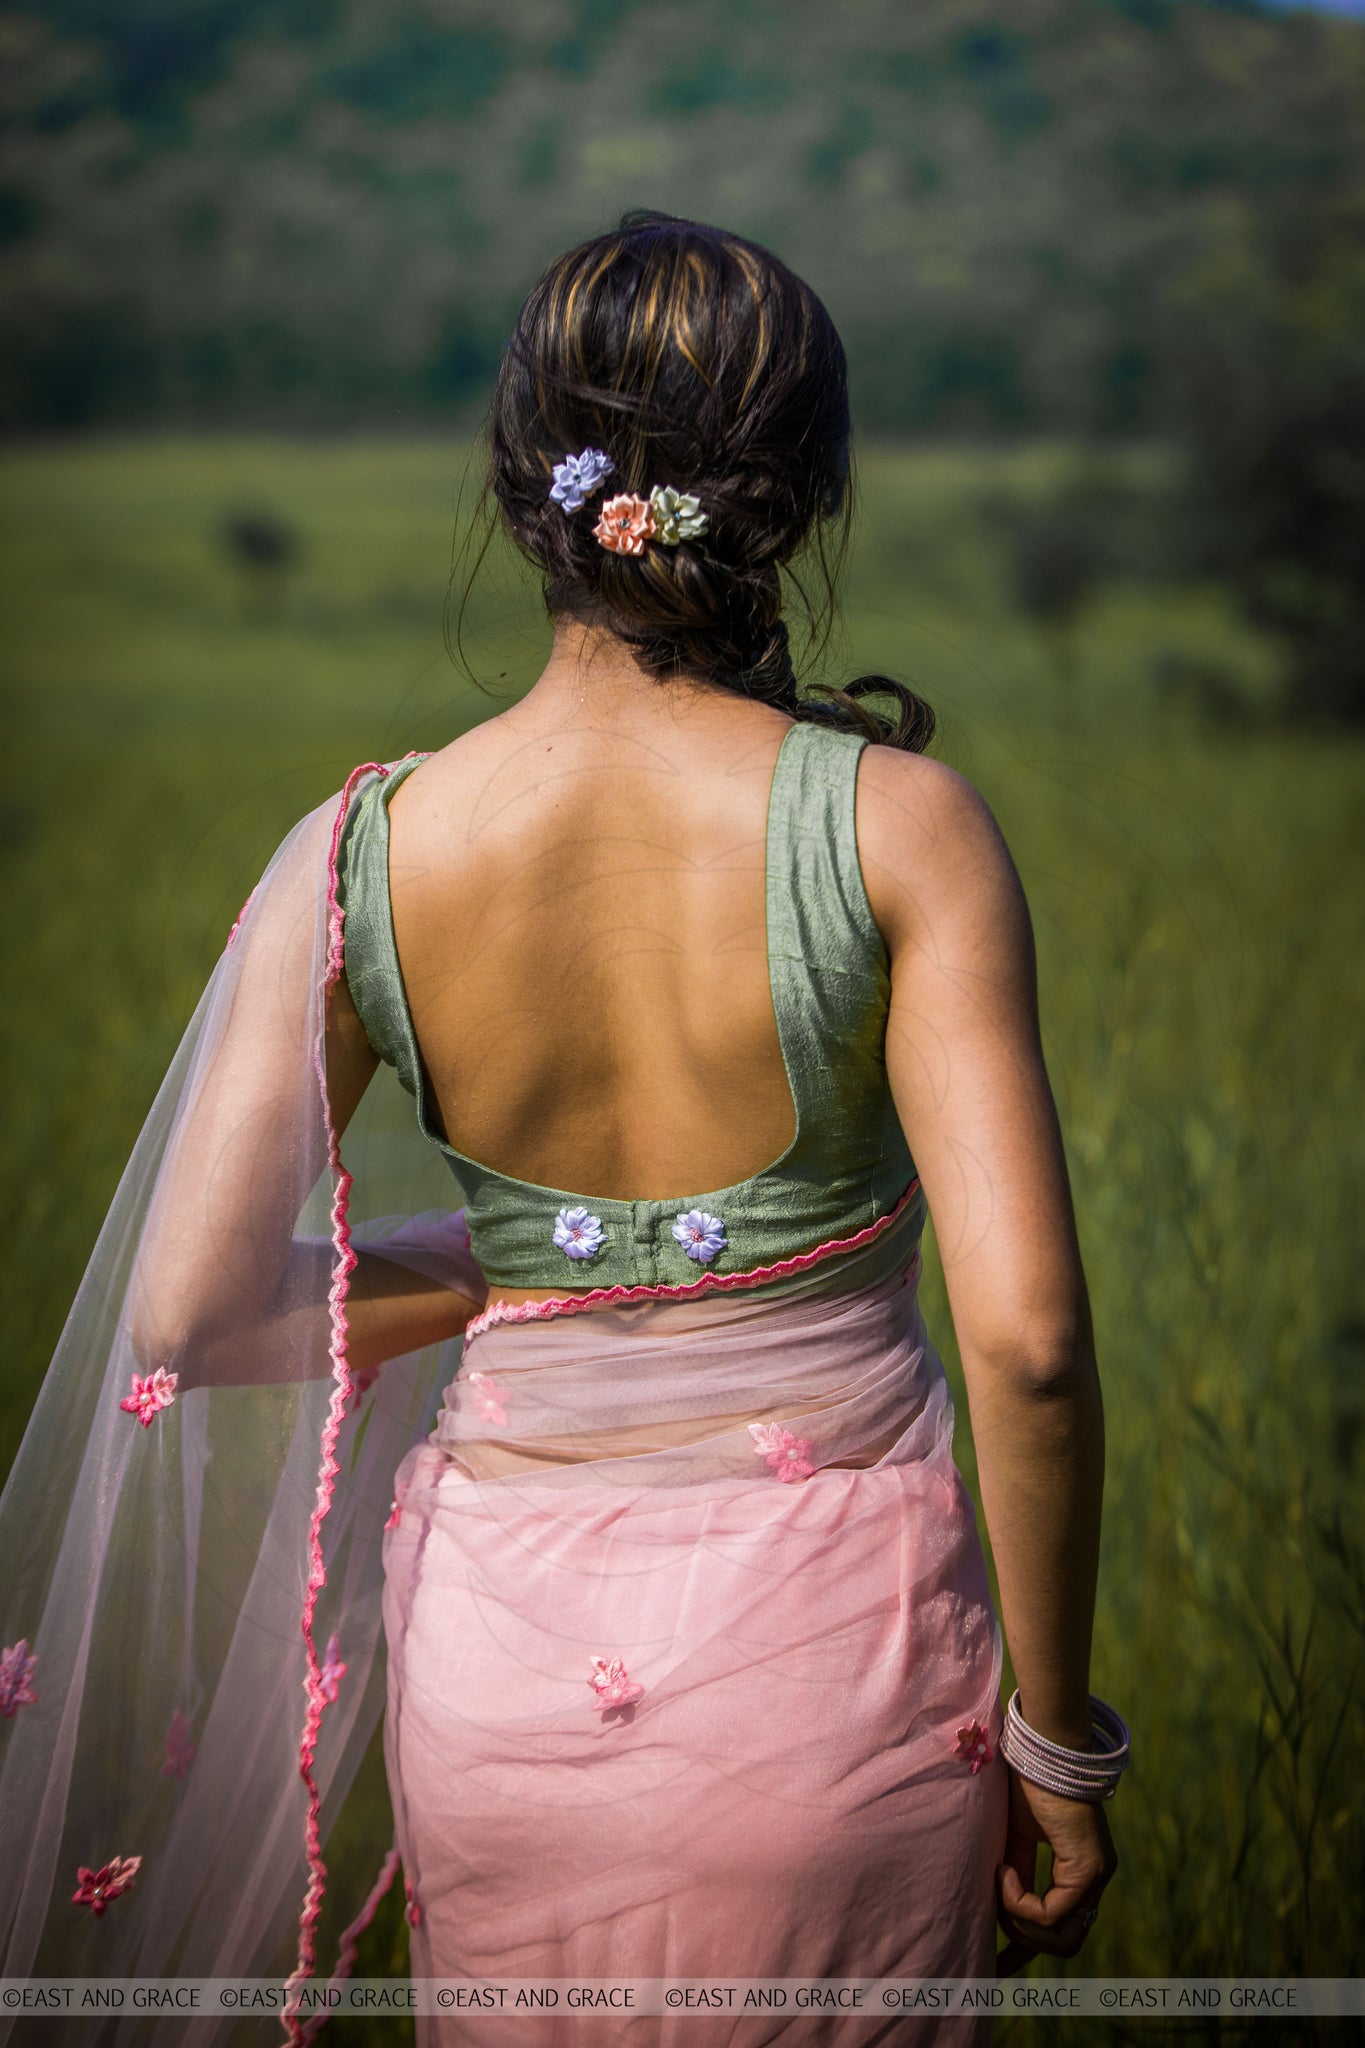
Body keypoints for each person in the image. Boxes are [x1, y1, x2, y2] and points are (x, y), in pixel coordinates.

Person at [0, 212, 1122, 2044]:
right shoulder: (901, 828)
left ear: (527, 486)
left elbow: (185, 1318)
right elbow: (1034, 1347)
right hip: (835, 1677)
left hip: (500, 1690)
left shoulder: (359, 852)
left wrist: (502, 1269)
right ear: (800, 493)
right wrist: (1057, 1741)